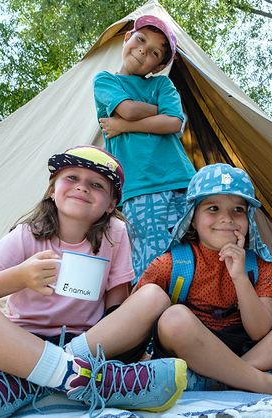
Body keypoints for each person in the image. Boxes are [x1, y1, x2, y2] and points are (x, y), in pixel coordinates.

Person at [0, 146, 186, 418]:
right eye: (72, 177)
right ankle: (82, 379)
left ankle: (35, 383)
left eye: (97, 184)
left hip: (87, 345)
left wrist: (126, 343)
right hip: (17, 348)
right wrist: (18, 277)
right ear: (52, 191)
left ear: (111, 204)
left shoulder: (115, 233)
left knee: (154, 296)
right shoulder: (26, 234)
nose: (82, 187)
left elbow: (116, 307)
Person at [136, 164, 272, 395]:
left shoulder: (257, 263)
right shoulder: (171, 263)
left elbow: (260, 331)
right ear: (192, 218)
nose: (227, 218)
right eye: (213, 208)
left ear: (248, 217)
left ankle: (220, 379)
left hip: (245, 347)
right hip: (193, 346)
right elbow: (137, 311)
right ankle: (261, 381)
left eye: (238, 209)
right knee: (174, 319)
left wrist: (240, 276)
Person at [93, 15, 196, 284]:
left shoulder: (162, 84)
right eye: (140, 40)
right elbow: (128, 109)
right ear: (128, 38)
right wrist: (160, 111)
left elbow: (174, 123)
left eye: (154, 53)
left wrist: (123, 126)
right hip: (140, 186)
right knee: (151, 261)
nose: (142, 51)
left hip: (182, 180)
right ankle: (150, 307)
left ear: (159, 66)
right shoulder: (105, 81)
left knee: (192, 251)